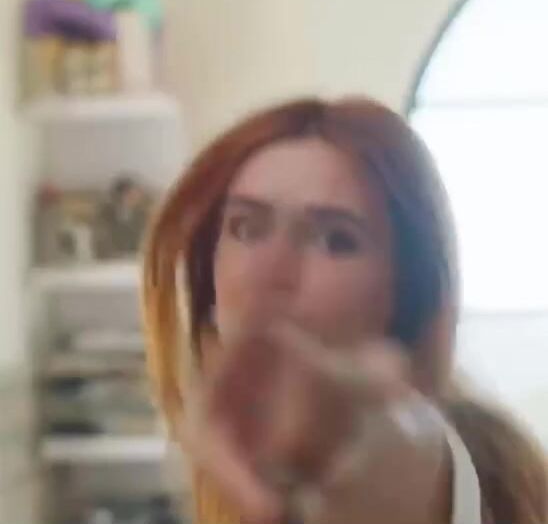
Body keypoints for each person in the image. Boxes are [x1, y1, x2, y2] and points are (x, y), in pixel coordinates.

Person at [142, 98, 547, 524]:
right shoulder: (232, 457)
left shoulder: (423, 455)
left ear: (406, 297)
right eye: (247, 227)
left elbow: (404, 444)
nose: (271, 272)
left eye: (336, 240)